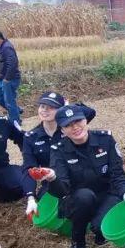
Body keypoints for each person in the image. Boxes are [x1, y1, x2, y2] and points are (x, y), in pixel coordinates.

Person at [48, 104, 125, 248]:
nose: (75, 127)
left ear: (86, 120)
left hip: (106, 193)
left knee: (101, 228)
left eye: (78, 121)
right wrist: (52, 179)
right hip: (78, 198)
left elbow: (117, 174)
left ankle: (97, 227)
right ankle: (78, 240)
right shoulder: (59, 150)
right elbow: (62, 190)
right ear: (62, 130)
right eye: (68, 125)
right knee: (85, 197)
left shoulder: (105, 139)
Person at [21, 91, 96, 220]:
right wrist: (30, 198)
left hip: (79, 175)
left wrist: (67, 108)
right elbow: (29, 168)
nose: (45, 110)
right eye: (43, 106)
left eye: (52, 107)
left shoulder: (70, 128)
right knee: (58, 211)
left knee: (88, 198)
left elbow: (90, 112)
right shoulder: (31, 137)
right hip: (53, 183)